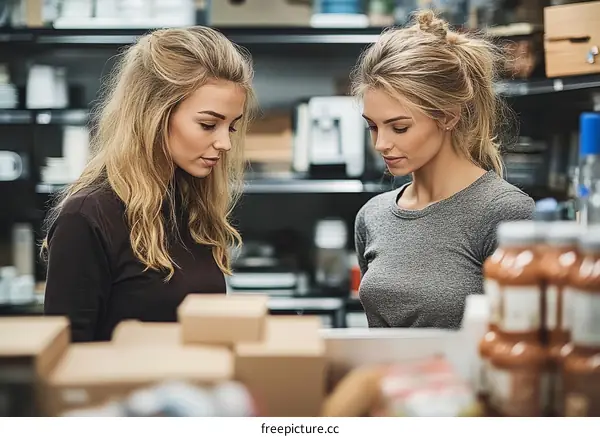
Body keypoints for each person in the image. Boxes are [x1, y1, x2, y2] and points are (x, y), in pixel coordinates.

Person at [42, 26, 256, 342]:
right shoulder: (87, 217)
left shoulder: (189, 209)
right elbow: (65, 360)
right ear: (153, 114)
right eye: (208, 124)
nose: (224, 143)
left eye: (231, 127)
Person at [351, 10, 535, 329]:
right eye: (373, 127)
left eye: (399, 127)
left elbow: (525, 343)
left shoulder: (506, 214)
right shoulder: (373, 216)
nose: (381, 144)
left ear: (449, 116)